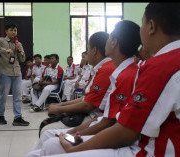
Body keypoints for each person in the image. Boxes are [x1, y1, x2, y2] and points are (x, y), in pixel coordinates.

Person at [32, 3, 180, 157]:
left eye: (142, 22)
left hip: (143, 149)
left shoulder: (159, 67)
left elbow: (123, 130)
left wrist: (74, 144)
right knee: (50, 142)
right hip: (134, 139)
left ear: (151, 26)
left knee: (50, 143)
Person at [26, 20, 141, 157]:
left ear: (114, 42)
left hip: (112, 132)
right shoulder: (118, 71)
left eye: (109, 37)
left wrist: (72, 135)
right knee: (49, 140)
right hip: (102, 122)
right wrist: (71, 133)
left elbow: (105, 120)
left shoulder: (121, 73)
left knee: (51, 141)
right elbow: (105, 117)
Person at [41, 32, 116, 135]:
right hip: (93, 111)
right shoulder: (102, 67)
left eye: (88, 49)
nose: (86, 54)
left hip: (96, 116)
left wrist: (59, 108)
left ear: (94, 51)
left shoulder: (106, 69)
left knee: (47, 131)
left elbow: (88, 106)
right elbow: (87, 98)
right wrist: (60, 105)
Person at [0, 23, 30, 126]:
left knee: (18, 97)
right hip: (5, 72)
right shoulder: (1, 41)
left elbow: (23, 59)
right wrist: (4, 50)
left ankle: (18, 117)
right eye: (11, 30)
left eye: (15, 30)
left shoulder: (18, 43)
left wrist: (20, 51)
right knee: (4, 96)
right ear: (6, 31)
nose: (14, 32)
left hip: (17, 72)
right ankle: (0, 116)